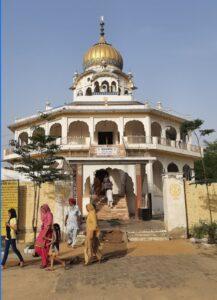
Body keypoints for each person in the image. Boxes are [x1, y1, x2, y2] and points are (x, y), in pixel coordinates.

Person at [35, 204, 53, 269]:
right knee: (37, 246)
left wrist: (44, 235)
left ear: (46, 208)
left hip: (47, 232)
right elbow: (44, 222)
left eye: (43, 209)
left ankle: (45, 263)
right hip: (43, 231)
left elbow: (49, 225)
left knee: (44, 247)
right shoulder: (44, 214)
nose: (42, 211)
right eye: (41, 210)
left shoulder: (49, 214)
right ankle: (45, 259)